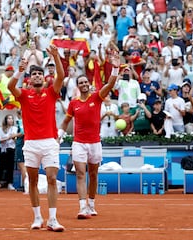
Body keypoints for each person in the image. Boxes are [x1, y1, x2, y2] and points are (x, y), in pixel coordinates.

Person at [7, 44, 65, 232]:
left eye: (40, 74)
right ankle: (38, 217)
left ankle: (53, 219)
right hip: (30, 143)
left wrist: (56, 57)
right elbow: (10, 86)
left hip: (49, 142)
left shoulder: (51, 93)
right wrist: (19, 71)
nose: (37, 76)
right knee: (31, 181)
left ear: (44, 77)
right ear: (30, 79)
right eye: (34, 74)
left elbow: (62, 77)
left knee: (52, 178)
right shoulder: (24, 95)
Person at [59, 51, 120, 219]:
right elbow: (65, 121)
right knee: (80, 173)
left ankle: (91, 204)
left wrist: (115, 68)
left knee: (93, 174)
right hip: (79, 143)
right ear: (78, 86)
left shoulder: (97, 96)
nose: (84, 84)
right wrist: (60, 135)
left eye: (86, 81)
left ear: (89, 83)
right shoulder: (73, 103)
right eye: (81, 82)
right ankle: (82, 207)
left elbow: (110, 84)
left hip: (95, 143)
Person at [0, 114, 18, 190]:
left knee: (10, 167)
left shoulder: (15, 128)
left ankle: (10, 183)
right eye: (9, 118)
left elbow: (15, 138)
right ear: (6, 120)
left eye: (12, 119)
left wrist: (12, 138)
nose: (10, 120)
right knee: (1, 166)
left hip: (10, 149)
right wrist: (8, 138)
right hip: (2, 149)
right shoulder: (0, 129)